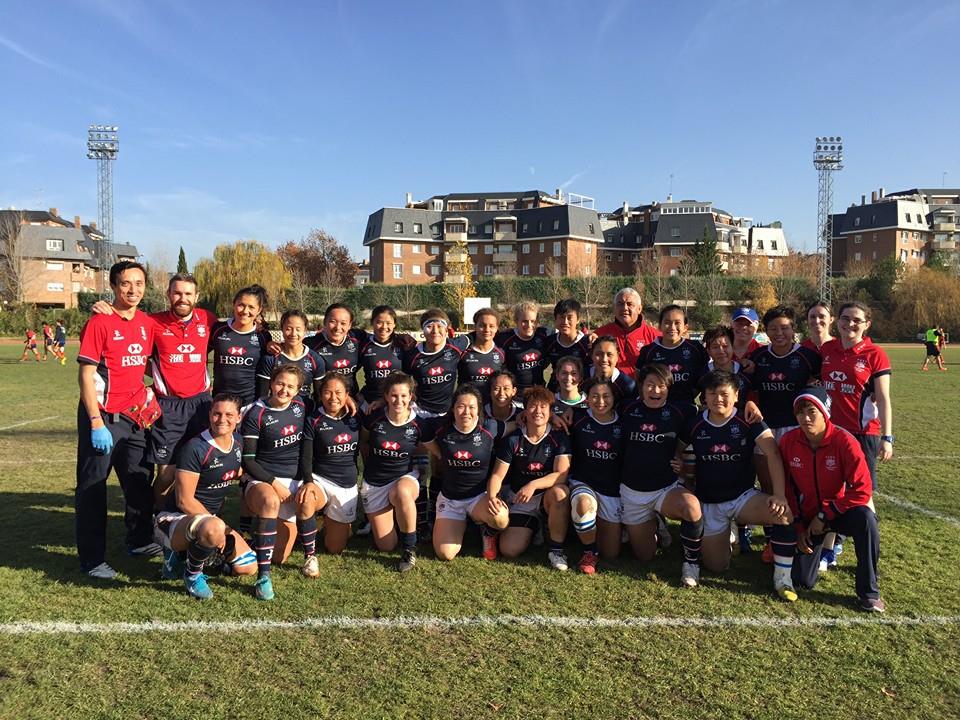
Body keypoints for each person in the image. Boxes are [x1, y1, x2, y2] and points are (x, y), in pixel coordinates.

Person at [91, 273, 220, 506]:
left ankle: (199, 517)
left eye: (188, 293)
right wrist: (106, 308)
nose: (182, 298)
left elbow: (234, 331)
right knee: (167, 474)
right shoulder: (152, 322)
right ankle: (159, 521)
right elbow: (130, 342)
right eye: (177, 293)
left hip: (201, 404)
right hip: (169, 406)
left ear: (196, 296)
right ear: (169, 294)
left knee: (203, 467)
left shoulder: (208, 319)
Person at [677, 370, 798, 601]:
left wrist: (779, 495)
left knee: (782, 514)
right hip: (710, 502)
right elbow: (677, 451)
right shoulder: (694, 424)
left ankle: (783, 579)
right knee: (716, 566)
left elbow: (772, 453)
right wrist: (681, 470)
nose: (718, 399)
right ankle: (724, 540)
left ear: (736, 395)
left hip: (743, 498)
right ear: (704, 396)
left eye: (724, 394)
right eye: (712, 393)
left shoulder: (748, 419)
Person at [75, 260, 157, 579]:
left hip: (135, 416)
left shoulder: (147, 323)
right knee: (93, 486)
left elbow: (144, 365)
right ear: (112, 286)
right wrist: (95, 422)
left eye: (139, 283)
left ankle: (138, 540)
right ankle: (92, 559)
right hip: (103, 416)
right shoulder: (100, 322)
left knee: (138, 480)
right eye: (125, 283)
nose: (133, 289)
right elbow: (85, 374)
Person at [780, 388, 885, 612]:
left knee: (866, 519)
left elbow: (862, 489)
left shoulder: (844, 441)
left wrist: (826, 514)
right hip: (808, 517)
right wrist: (799, 527)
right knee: (803, 581)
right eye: (799, 413)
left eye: (811, 412)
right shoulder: (789, 441)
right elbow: (787, 489)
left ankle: (869, 592)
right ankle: (805, 554)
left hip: (838, 512)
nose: (805, 418)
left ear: (825, 412)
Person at [154, 393, 256, 599]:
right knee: (213, 529)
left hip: (209, 521)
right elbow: (184, 500)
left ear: (238, 418)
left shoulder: (238, 443)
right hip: (174, 519)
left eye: (229, 415)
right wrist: (222, 528)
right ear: (209, 415)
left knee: (248, 567)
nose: (222, 419)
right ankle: (192, 574)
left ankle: (190, 556)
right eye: (217, 414)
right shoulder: (195, 448)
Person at [746, 306, 822, 561]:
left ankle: (801, 537)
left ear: (794, 329)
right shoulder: (758, 358)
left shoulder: (808, 357)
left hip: (796, 429)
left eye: (785, 327)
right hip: (765, 430)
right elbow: (748, 389)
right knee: (769, 486)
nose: (779, 333)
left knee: (798, 486)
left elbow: (821, 388)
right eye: (773, 329)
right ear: (766, 332)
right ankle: (772, 540)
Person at [620, 364, 703, 587]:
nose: (655, 391)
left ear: (668, 388)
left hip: (664, 489)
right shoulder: (626, 409)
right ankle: (656, 523)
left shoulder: (680, 412)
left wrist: (681, 458)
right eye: (650, 385)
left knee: (691, 506)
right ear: (641, 386)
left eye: (661, 386)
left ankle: (691, 563)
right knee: (645, 556)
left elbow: (708, 415)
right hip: (631, 492)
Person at [240, 364, 309, 600]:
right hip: (262, 479)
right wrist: (273, 483)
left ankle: (242, 547)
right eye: (280, 383)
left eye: (291, 386)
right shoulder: (256, 413)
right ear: (271, 383)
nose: (284, 390)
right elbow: (248, 461)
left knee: (279, 556)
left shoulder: (301, 406)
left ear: (298, 390)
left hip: (292, 482)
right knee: (270, 501)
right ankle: (264, 577)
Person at [486, 386, 571, 570]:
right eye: (533, 406)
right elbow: (497, 475)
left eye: (543, 407)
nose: (538, 411)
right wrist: (492, 498)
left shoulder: (559, 438)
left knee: (560, 493)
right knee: (509, 550)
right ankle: (536, 526)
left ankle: (556, 550)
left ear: (550, 412)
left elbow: (561, 475)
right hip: (520, 500)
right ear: (525, 410)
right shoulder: (513, 440)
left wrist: (533, 484)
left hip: (545, 497)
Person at [421, 385, 509, 561]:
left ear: (478, 410)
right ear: (453, 409)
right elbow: (419, 428)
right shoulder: (440, 427)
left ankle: (488, 532)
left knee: (500, 519)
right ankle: (463, 524)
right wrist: (438, 453)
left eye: (471, 407)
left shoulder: (490, 428)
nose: (466, 412)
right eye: (461, 406)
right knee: (445, 554)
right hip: (450, 499)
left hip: (479, 497)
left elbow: (518, 425)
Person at [359, 372, 436, 572]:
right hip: (375, 481)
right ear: (385, 396)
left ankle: (410, 549)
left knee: (402, 492)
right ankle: (395, 516)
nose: (398, 400)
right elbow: (364, 444)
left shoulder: (420, 424)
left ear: (411, 396)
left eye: (403, 396)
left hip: (404, 478)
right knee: (386, 546)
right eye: (394, 395)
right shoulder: (373, 419)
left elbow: (433, 451)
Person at [819, 301, 893, 489]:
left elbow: (883, 398)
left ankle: (867, 519)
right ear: (837, 321)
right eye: (845, 318)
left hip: (861, 433)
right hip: (829, 431)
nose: (850, 323)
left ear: (867, 324)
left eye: (857, 320)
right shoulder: (827, 349)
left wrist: (887, 437)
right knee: (831, 488)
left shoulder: (875, 354)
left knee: (861, 490)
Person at [298, 372, 362, 565]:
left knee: (335, 548)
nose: (333, 398)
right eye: (327, 392)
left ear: (347, 394)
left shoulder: (357, 416)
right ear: (320, 394)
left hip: (346, 483)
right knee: (307, 498)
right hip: (320, 479)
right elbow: (306, 455)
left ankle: (328, 521)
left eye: (338, 393)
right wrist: (308, 481)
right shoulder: (313, 419)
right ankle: (310, 557)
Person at [567, 377, 624, 574]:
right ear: (587, 399)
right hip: (583, 482)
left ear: (614, 398)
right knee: (583, 505)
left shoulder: (624, 423)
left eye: (606, 396)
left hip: (611, 489)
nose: (601, 401)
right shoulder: (577, 417)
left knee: (611, 553)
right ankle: (589, 551)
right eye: (595, 396)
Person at [635, 304, 709, 419]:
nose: (672, 327)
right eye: (667, 322)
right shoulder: (648, 351)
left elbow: (706, 375)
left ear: (685, 327)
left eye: (677, 323)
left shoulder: (695, 349)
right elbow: (640, 380)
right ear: (659, 326)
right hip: (657, 409)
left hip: (686, 408)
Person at [209, 285, 273, 407]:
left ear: (259, 310)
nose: (245, 311)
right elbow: (201, 356)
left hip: (249, 405)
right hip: (220, 403)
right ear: (234, 304)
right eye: (241, 305)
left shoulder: (263, 336)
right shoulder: (218, 329)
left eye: (251, 307)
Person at [256, 309, 326, 409]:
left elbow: (319, 398)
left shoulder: (315, 360)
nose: (293, 334)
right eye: (288, 328)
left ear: (305, 330)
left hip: (304, 415)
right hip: (276, 415)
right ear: (282, 329)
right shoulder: (270, 358)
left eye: (298, 329)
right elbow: (262, 397)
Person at [593, 287, 660, 379]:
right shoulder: (600, 334)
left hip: (642, 390)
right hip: (611, 389)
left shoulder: (655, 337)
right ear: (614, 308)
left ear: (639, 309)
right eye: (620, 304)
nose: (624, 308)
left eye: (630, 304)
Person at [357, 305, 413, 412]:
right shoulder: (363, 345)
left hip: (397, 402)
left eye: (388, 323)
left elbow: (411, 376)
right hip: (370, 402)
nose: (384, 327)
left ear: (394, 324)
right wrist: (355, 394)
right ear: (372, 323)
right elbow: (351, 371)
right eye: (379, 322)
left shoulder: (403, 344)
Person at [304, 303, 366, 396]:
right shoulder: (311, 344)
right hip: (324, 402)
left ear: (350, 325)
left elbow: (383, 340)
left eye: (343, 323)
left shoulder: (358, 338)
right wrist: (274, 345)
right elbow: (289, 347)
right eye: (333, 321)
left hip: (353, 400)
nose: (338, 327)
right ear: (325, 322)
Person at [496, 301, 550, 391]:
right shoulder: (505, 338)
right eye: (524, 321)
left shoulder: (544, 334)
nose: (529, 325)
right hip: (515, 394)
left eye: (533, 321)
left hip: (538, 391)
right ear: (516, 321)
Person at [458, 308, 506, 404]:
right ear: (475, 326)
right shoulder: (463, 352)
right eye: (482, 325)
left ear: (496, 328)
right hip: (469, 407)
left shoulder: (501, 353)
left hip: (492, 408)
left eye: (491, 326)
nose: (487, 330)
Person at [543, 299, 593, 390]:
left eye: (569, 317)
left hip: (581, 396)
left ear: (578, 319)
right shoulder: (550, 341)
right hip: (555, 394)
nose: (565, 322)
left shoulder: (588, 343)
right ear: (555, 319)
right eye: (562, 317)